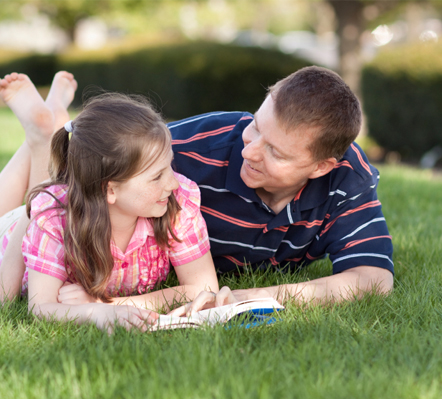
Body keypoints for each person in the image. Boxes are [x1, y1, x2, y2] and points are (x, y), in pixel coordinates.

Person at [0, 71, 218, 333]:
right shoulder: (52, 218)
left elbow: (203, 288)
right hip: (8, 238)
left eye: (170, 166)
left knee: (45, 200)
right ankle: (39, 139)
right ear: (109, 189)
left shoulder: (176, 199)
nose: (172, 182)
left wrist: (107, 305)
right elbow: (41, 306)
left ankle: (44, 135)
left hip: (60, 205)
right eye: (157, 176)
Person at [165, 66, 394, 315]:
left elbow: (374, 278)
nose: (248, 152)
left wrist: (253, 297)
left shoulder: (348, 176)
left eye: (275, 152)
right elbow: (118, 162)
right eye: (255, 126)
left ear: (320, 166)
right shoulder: (181, 150)